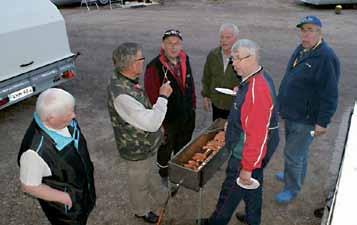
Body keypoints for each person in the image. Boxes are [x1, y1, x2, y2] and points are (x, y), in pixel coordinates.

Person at [198, 39, 279, 225]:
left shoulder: (257, 90)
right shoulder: (255, 78)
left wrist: (247, 167)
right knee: (254, 185)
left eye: (237, 59)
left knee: (231, 190)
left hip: (248, 150)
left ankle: (216, 222)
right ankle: (253, 219)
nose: (233, 63)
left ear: (252, 58)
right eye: (232, 58)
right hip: (259, 146)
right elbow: (249, 111)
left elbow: (257, 136)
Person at [275, 15, 340, 204]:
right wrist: (281, 103)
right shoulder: (302, 49)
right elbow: (289, 77)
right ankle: (291, 173)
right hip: (292, 113)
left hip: (307, 118)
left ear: (320, 32)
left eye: (310, 30)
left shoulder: (326, 57)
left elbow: (330, 93)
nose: (305, 34)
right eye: (303, 30)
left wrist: (322, 122)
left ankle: (291, 187)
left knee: (293, 154)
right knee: (299, 152)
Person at [107, 42, 173, 224]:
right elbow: (151, 123)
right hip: (135, 148)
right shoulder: (122, 95)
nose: (143, 61)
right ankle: (141, 210)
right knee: (138, 181)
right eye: (140, 58)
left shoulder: (125, 79)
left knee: (145, 174)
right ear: (131, 64)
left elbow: (143, 109)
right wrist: (163, 96)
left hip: (144, 143)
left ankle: (156, 195)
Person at [18, 88, 96, 225]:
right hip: (67, 213)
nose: (74, 115)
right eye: (69, 113)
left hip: (82, 192)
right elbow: (29, 186)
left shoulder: (64, 122)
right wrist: (65, 198)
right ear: (51, 118)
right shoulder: (33, 154)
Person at [144, 29, 196, 185]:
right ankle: (164, 174)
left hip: (187, 115)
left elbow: (190, 85)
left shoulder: (185, 59)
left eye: (177, 43)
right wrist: (159, 122)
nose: (173, 47)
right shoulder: (154, 67)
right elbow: (152, 95)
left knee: (183, 145)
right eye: (169, 44)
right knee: (165, 149)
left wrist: (192, 106)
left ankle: (179, 171)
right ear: (163, 45)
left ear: (181, 45)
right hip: (167, 119)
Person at [201, 23, 241, 120]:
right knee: (217, 132)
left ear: (236, 39)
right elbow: (207, 76)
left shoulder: (242, 56)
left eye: (228, 37)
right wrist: (206, 96)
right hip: (217, 103)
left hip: (235, 105)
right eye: (222, 37)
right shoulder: (213, 55)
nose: (224, 41)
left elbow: (250, 80)